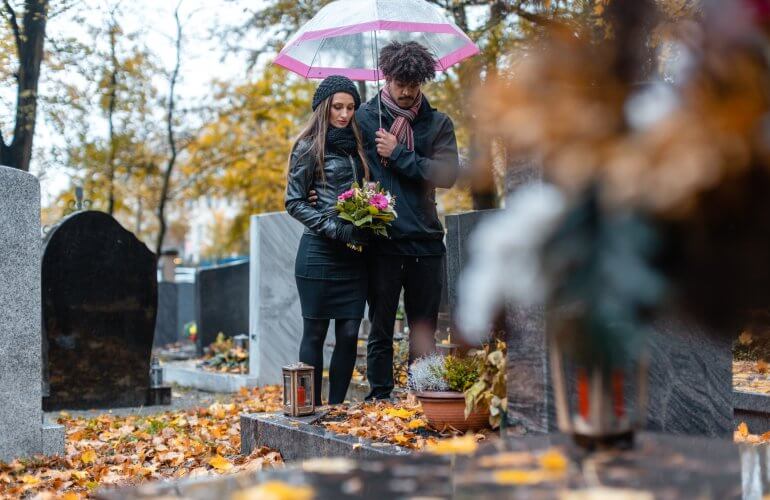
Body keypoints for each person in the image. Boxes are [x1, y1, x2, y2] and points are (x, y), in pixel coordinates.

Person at [285, 75, 371, 405]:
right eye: (338, 107)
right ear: (324, 108)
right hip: (319, 253)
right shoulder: (308, 146)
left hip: (355, 255)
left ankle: (335, 408)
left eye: (350, 107)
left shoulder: (360, 146)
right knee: (316, 333)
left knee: (349, 333)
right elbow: (293, 201)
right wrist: (335, 228)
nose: (344, 114)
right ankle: (310, 406)